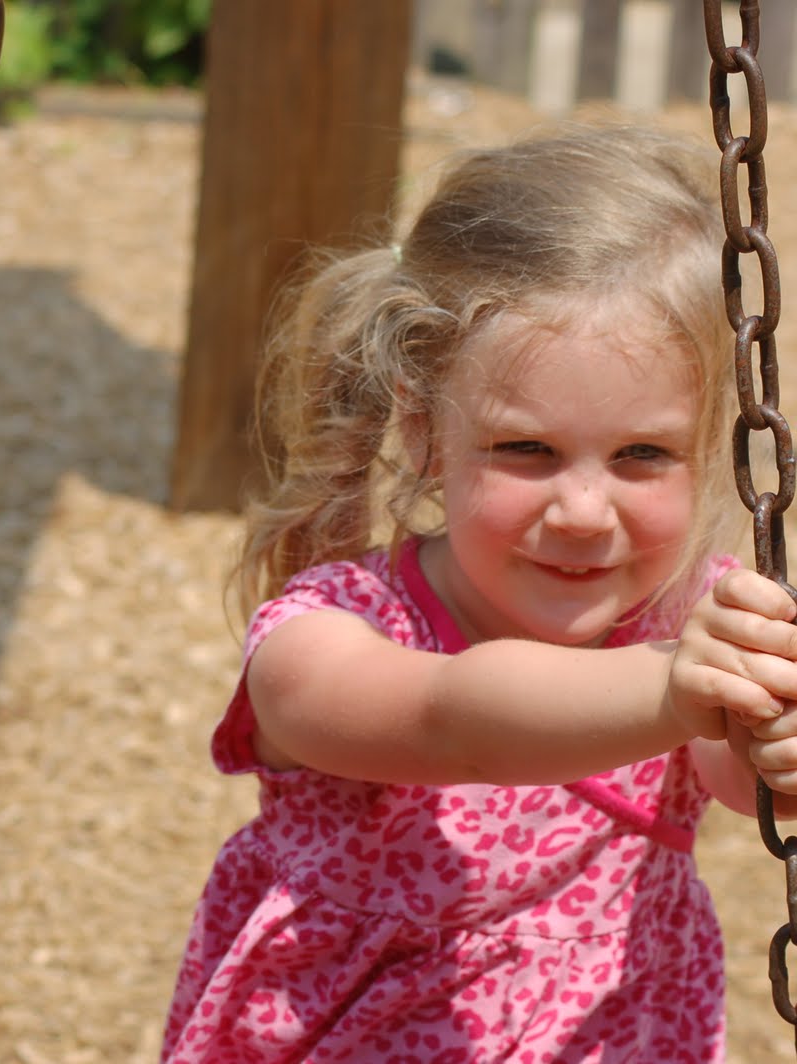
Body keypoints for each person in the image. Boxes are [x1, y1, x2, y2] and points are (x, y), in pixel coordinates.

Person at [161, 124, 797, 1063]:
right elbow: (453, 722)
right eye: (526, 450)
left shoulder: (681, 620)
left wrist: (775, 738)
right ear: (424, 430)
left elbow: (744, 783)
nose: (584, 511)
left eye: (643, 454)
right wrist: (672, 689)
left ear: (705, 447)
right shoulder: (326, 636)